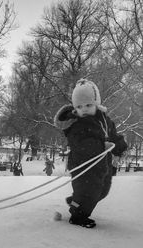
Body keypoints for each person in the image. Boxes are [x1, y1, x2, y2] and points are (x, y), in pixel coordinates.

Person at [54, 79, 127, 228]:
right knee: (88, 193)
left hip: (103, 166)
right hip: (83, 167)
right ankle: (77, 216)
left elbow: (113, 136)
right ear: (75, 109)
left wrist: (119, 146)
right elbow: (82, 146)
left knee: (103, 191)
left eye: (88, 105)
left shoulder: (105, 121)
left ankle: (76, 201)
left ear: (96, 104)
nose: (84, 109)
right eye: (80, 107)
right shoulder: (76, 125)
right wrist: (102, 146)